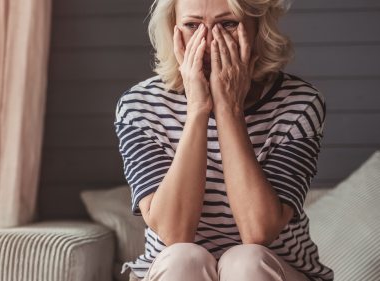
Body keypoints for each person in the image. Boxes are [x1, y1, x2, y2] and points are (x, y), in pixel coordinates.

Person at [113, 0, 334, 280]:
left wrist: (230, 109)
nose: (208, 41)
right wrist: (198, 111)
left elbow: (258, 231)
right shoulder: (140, 105)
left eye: (228, 24)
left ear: (258, 30)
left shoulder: (299, 102)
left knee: (247, 259)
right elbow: (174, 233)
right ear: (173, 31)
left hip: (273, 269)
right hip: (174, 269)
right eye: (192, 25)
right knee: (184, 257)